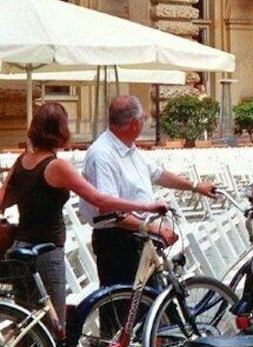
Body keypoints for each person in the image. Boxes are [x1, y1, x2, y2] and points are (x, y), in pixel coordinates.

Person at [0, 102, 169, 329]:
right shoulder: (57, 166)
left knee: (29, 323)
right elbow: (100, 200)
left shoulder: (22, 161)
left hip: (20, 247)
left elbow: (4, 200)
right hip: (47, 252)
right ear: (61, 130)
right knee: (53, 325)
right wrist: (147, 207)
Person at [79, 94, 217, 287]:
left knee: (151, 301)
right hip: (118, 241)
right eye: (143, 119)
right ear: (135, 123)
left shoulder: (129, 148)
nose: (144, 122)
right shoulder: (103, 154)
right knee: (123, 305)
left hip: (138, 236)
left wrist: (195, 186)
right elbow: (108, 209)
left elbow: (159, 174)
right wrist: (151, 227)